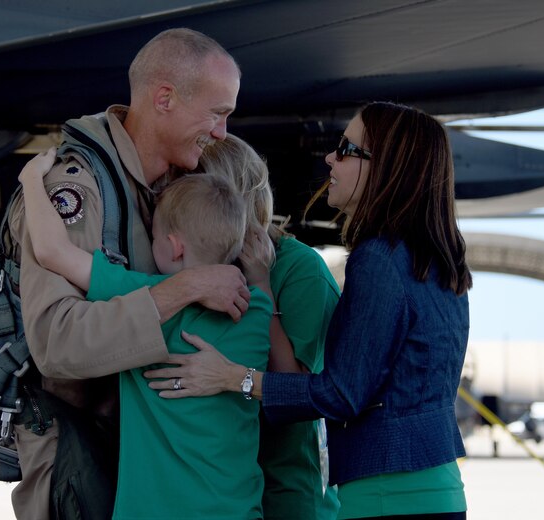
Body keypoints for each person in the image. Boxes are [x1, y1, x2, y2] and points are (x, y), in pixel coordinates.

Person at [144, 101, 473, 519]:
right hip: (434, 489)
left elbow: (341, 394)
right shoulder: (436, 261)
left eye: (346, 149)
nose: (329, 157)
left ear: (385, 167)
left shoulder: (379, 259)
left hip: (387, 495)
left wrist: (231, 377)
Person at [6, 28, 246, 520]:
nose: (221, 132)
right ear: (164, 98)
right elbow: (57, 343)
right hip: (82, 466)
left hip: (154, 468)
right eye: (216, 113)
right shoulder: (76, 190)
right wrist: (181, 289)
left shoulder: (175, 189)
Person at [20, 151, 272, 517]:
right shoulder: (258, 311)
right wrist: (260, 276)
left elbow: (50, 250)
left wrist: (31, 178)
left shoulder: (148, 297)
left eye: (151, 237)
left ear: (173, 247)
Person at [196, 135, 342, 519]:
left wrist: (262, 289)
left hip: (285, 495)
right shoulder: (190, 265)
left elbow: (295, 393)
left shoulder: (299, 269)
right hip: (215, 491)